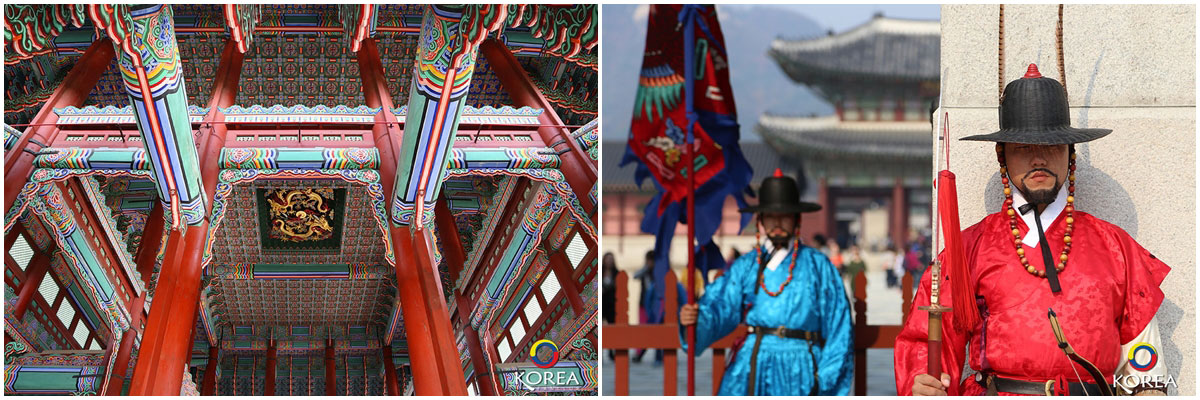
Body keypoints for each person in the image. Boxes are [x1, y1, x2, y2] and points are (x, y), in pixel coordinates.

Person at [894, 64, 1170, 396]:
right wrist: (923, 383)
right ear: (1002, 155)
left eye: (1052, 146)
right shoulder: (970, 247)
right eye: (1024, 148)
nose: (1039, 158)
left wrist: (1149, 390)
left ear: (1070, 155)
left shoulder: (1114, 246)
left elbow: (1143, 359)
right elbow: (928, 341)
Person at [678, 169, 852, 395]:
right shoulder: (746, 266)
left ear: (796, 220)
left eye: (785, 216)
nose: (777, 223)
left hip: (803, 365)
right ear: (760, 221)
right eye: (770, 216)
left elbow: (839, 326)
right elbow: (722, 306)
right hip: (754, 362)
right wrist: (697, 318)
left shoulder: (819, 266)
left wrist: (825, 379)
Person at [632, 250, 656, 363]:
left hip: (656, 305)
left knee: (657, 330)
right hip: (643, 304)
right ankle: (639, 353)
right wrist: (646, 267)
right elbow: (635, 276)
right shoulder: (644, 272)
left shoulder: (658, 273)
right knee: (642, 329)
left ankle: (658, 353)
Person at [602, 252, 618, 360]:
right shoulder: (601, 272)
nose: (609, 261)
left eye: (611, 259)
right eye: (607, 259)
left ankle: (612, 351)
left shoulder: (617, 273)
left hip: (612, 305)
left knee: (613, 329)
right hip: (602, 304)